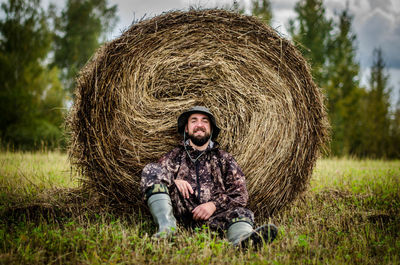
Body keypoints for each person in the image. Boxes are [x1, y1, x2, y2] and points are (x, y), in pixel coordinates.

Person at [140, 106, 277, 248]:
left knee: (242, 212)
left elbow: (240, 194)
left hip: (215, 219)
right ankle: (167, 228)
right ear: (187, 128)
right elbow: (154, 176)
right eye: (194, 121)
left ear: (211, 129)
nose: (199, 125)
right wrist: (174, 181)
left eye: (205, 121)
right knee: (152, 169)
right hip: (180, 213)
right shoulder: (175, 156)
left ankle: (241, 241)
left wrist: (213, 205)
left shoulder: (224, 159)